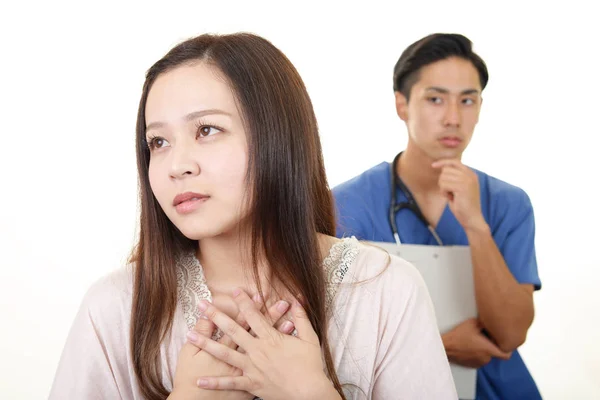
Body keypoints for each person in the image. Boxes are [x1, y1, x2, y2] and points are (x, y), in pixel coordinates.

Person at [49, 33, 457, 400]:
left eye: (206, 130)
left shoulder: (384, 290)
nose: (177, 165)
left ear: (276, 136)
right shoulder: (116, 307)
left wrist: (311, 395)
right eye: (158, 141)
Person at [333, 33, 542, 400]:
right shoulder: (346, 205)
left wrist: (476, 225)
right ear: (402, 104)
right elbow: (336, 335)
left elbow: (510, 335)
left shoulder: (509, 204)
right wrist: (442, 344)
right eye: (435, 99)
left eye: (467, 100)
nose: (452, 118)